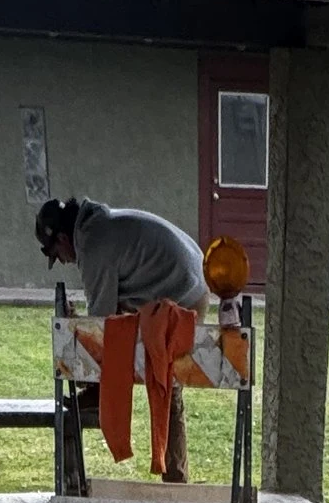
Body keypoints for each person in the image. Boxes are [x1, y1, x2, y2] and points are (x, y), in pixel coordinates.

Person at [35, 196, 206, 482]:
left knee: (164, 377)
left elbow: (102, 326)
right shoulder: (99, 227)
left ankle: (175, 480)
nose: (63, 261)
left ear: (63, 238)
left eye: (58, 254)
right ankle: (96, 393)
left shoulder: (93, 243)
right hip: (187, 280)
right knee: (150, 364)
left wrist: (73, 330)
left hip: (183, 293)